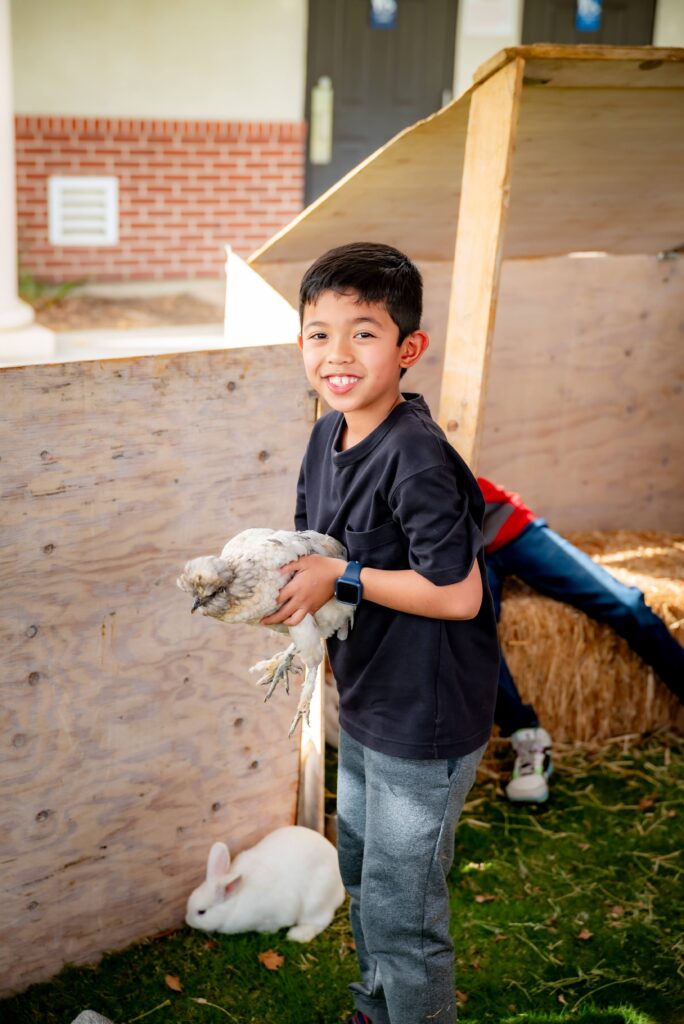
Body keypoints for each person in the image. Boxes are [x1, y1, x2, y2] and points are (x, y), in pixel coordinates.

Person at [262, 242, 500, 1024]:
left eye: (362, 332)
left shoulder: (415, 455)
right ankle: (377, 1009)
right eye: (317, 332)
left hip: (423, 718)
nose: (336, 352)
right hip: (369, 699)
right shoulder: (325, 438)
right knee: (362, 873)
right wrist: (286, 589)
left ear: (408, 349)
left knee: (405, 909)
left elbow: (458, 595)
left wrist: (346, 579)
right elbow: (319, 550)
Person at [480, 478, 684, 804]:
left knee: (626, 604)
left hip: (505, 524)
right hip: (455, 546)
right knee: (471, 632)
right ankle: (527, 738)